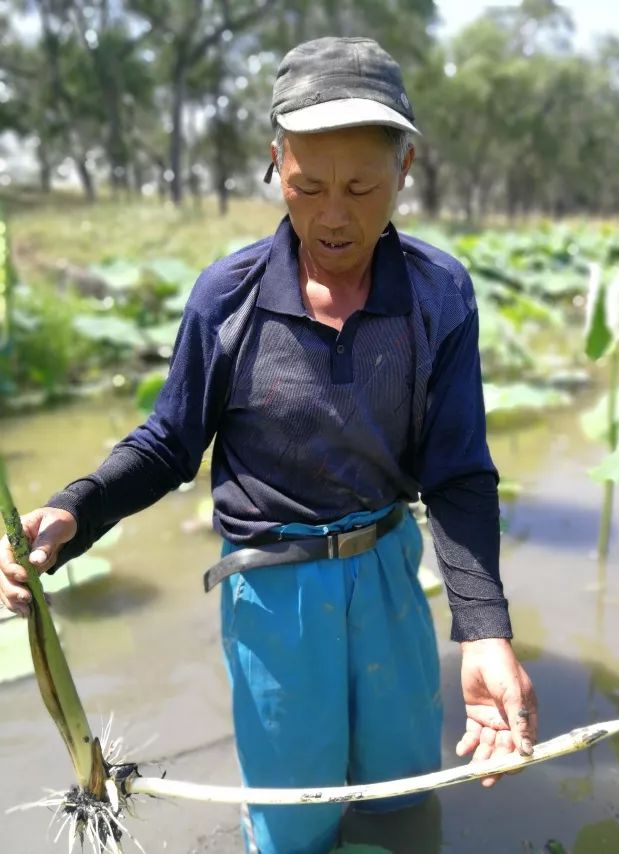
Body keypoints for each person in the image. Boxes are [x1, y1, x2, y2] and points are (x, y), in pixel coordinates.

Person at [0, 37, 537, 854]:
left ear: (406, 168)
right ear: (273, 162)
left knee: (407, 800)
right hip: (273, 596)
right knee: (294, 824)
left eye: (361, 186)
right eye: (307, 184)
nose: (333, 214)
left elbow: (459, 475)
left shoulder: (437, 295)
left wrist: (486, 631)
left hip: (390, 575)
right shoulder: (228, 296)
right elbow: (169, 443)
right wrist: (77, 510)